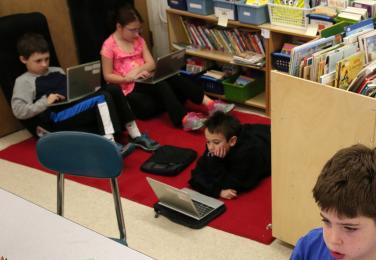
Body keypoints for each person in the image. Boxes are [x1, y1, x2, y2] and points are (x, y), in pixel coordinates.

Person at [10, 33, 157, 155]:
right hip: (56, 115)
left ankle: (136, 134)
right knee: (102, 97)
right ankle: (110, 144)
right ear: (23, 59)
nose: (44, 64)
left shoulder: (57, 71)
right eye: (38, 61)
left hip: (72, 104)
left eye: (47, 59)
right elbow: (19, 111)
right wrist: (45, 102)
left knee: (112, 88)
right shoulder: (23, 82)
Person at [100, 4, 233, 132]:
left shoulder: (138, 40)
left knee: (172, 76)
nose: (136, 33)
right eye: (132, 30)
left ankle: (210, 104)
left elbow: (151, 63)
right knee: (160, 83)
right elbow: (107, 76)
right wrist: (127, 77)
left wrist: (138, 70)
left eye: (138, 29)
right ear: (119, 27)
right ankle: (183, 119)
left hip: (144, 77)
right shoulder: (109, 46)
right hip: (129, 85)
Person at [188, 111, 270, 199]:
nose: (210, 147)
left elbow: (231, 185)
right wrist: (218, 192)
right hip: (255, 132)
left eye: (216, 142)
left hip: (274, 140)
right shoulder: (214, 145)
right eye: (208, 141)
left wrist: (215, 163)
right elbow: (195, 177)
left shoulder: (246, 154)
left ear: (232, 141)